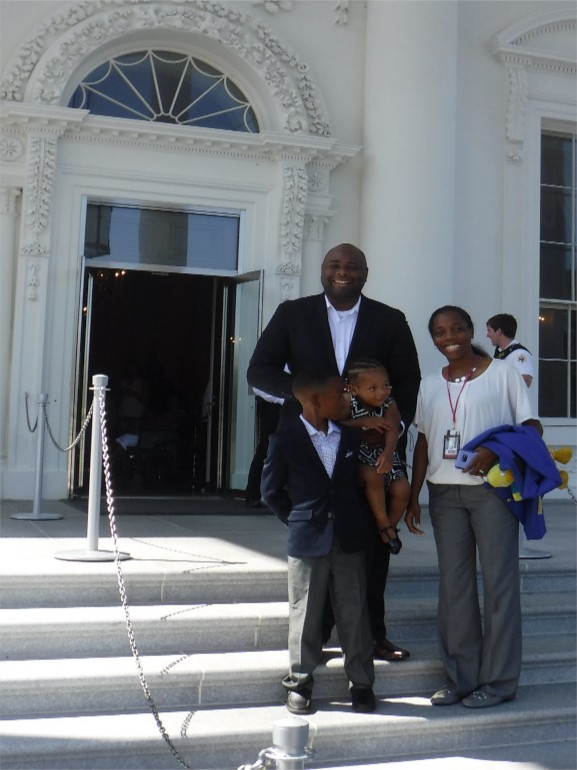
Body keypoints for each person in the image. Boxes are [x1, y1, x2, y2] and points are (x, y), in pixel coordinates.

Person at [247, 243, 421, 661]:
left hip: (370, 447)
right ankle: (317, 638)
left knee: (374, 543)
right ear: (322, 271)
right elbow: (260, 370)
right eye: (334, 266)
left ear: (365, 273)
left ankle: (373, 634)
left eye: (351, 267)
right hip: (311, 446)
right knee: (318, 543)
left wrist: (393, 428)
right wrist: (309, 398)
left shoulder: (390, 319)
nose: (342, 273)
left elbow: (408, 381)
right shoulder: (293, 313)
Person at [405, 306, 542, 709]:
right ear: (433, 339)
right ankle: (462, 678)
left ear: (470, 331)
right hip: (444, 494)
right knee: (454, 588)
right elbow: (425, 442)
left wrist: (491, 450)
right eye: (441, 332)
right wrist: (414, 495)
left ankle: (498, 682)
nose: (450, 337)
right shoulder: (429, 384)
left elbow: (530, 426)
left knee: (499, 584)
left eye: (458, 328)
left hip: (491, 492)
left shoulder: (503, 374)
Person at [261, 370, 376, 714]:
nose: (347, 401)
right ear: (313, 400)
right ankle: (300, 681)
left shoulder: (350, 438)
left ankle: (361, 681)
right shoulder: (285, 440)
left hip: (348, 538)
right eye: (340, 395)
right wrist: (298, 519)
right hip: (307, 538)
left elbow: (358, 485)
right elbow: (270, 492)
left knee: (353, 611)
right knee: (305, 611)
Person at [343, 359, 411, 555]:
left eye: (386, 385)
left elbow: (392, 427)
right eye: (373, 388)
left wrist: (389, 453)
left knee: (402, 489)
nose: (382, 392)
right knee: (373, 476)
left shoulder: (389, 403)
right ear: (353, 389)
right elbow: (338, 425)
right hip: (359, 456)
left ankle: (389, 525)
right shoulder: (348, 402)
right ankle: (383, 524)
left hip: (384, 453)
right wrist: (363, 422)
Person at [244, 388, 283, 507]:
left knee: (268, 449)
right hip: (274, 407)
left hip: (276, 406)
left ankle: (254, 494)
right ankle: (252, 494)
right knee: (266, 449)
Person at [486, 313, 534, 387]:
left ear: (499, 331)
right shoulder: (500, 354)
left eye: (489, 331)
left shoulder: (519, 354)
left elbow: (525, 381)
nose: (487, 335)